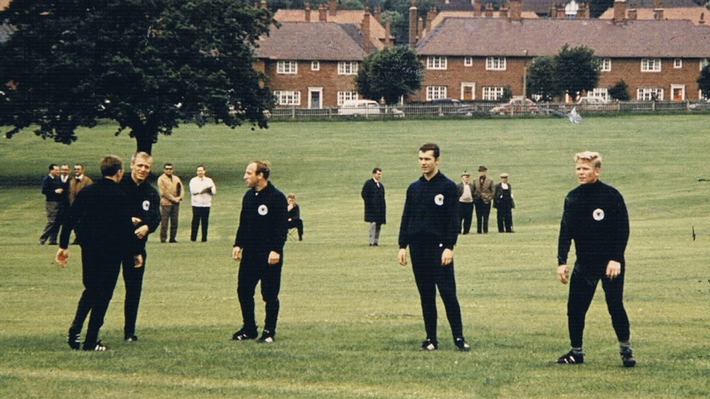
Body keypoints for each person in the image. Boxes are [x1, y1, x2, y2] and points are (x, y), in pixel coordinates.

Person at [556, 151, 635, 367]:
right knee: (575, 308)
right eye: (578, 169)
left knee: (615, 306)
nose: (581, 173)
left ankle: (626, 351)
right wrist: (561, 261)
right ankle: (576, 353)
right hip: (585, 264)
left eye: (586, 169)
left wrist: (616, 258)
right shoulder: (572, 198)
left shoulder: (611, 195)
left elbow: (623, 229)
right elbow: (565, 231)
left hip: (610, 264)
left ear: (596, 171)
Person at [55, 155, 140, 351]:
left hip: (90, 250)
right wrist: (135, 252)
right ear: (119, 172)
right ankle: (91, 339)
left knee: (91, 289)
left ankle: (75, 330)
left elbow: (70, 219)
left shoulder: (87, 191)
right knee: (104, 294)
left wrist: (63, 246)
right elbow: (126, 228)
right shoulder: (120, 195)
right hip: (112, 252)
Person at [398, 143, 470, 352]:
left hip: (439, 250)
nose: (423, 163)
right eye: (420, 159)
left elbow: (453, 220)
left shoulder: (447, 186)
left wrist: (449, 247)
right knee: (426, 295)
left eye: (427, 159)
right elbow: (406, 218)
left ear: (437, 160)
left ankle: (459, 337)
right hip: (418, 249)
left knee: (448, 293)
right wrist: (402, 246)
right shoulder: (414, 188)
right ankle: (431, 339)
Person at [231, 161, 288, 344]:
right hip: (250, 254)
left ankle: (269, 331)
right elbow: (244, 223)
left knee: (269, 294)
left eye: (249, 173)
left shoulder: (277, 197)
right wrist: (238, 245)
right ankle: (249, 328)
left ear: (260, 175)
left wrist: (276, 250)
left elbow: (281, 227)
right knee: (244, 290)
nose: (245, 176)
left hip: (269, 254)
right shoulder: (248, 197)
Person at [119, 152, 161, 342]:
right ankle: (93, 330)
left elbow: (155, 216)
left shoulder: (150, 192)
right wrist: (127, 221)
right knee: (103, 289)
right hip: (113, 246)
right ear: (132, 165)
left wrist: (147, 226)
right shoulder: (119, 186)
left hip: (136, 249)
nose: (143, 170)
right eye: (140, 166)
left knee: (134, 290)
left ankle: (129, 331)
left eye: (147, 167)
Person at [157, 163, 184, 243]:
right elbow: (163, 192)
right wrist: (173, 198)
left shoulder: (176, 178)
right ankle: (163, 238)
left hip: (176, 203)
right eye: (167, 169)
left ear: (172, 170)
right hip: (166, 203)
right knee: (164, 222)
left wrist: (179, 197)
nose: (168, 170)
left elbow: (181, 189)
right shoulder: (161, 179)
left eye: (170, 169)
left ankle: (173, 238)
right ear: (164, 170)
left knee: (174, 221)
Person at [189, 165, 216, 242]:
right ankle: (193, 238)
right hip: (196, 204)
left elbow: (213, 190)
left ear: (204, 171)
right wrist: (202, 190)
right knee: (195, 221)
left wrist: (208, 190)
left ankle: (204, 238)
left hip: (206, 204)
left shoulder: (209, 180)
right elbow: (193, 191)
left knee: (205, 221)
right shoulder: (193, 180)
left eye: (201, 171)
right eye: (198, 171)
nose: (200, 172)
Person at [68, 163, 93, 244]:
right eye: (75, 169)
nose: (76, 171)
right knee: (75, 223)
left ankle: (83, 238)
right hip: (74, 206)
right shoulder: (72, 181)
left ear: (82, 170)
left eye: (78, 169)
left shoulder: (87, 181)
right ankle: (77, 238)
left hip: (84, 207)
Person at [361, 167, 386, 246]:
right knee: (373, 224)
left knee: (378, 225)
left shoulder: (380, 185)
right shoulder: (368, 183)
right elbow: (364, 194)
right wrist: (370, 203)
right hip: (372, 209)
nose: (379, 176)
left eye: (380, 174)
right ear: (374, 174)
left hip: (380, 209)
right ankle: (371, 241)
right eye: (378, 174)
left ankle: (376, 241)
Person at [39, 164, 63, 245]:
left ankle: (53, 240)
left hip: (59, 202)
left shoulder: (58, 179)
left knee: (57, 222)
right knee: (51, 221)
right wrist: (54, 191)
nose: (58, 172)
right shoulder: (47, 180)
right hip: (51, 202)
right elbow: (44, 191)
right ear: (51, 170)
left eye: (58, 170)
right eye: (56, 170)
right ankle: (42, 238)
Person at [473, 165, 494, 234]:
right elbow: (473, 190)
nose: (482, 173)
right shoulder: (475, 180)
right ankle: (479, 230)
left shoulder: (490, 180)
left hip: (486, 201)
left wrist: (489, 198)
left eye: (483, 171)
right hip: (478, 200)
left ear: (485, 172)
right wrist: (475, 197)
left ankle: (485, 230)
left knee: (486, 216)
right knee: (478, 216)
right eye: (481, 171)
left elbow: (493, 191)